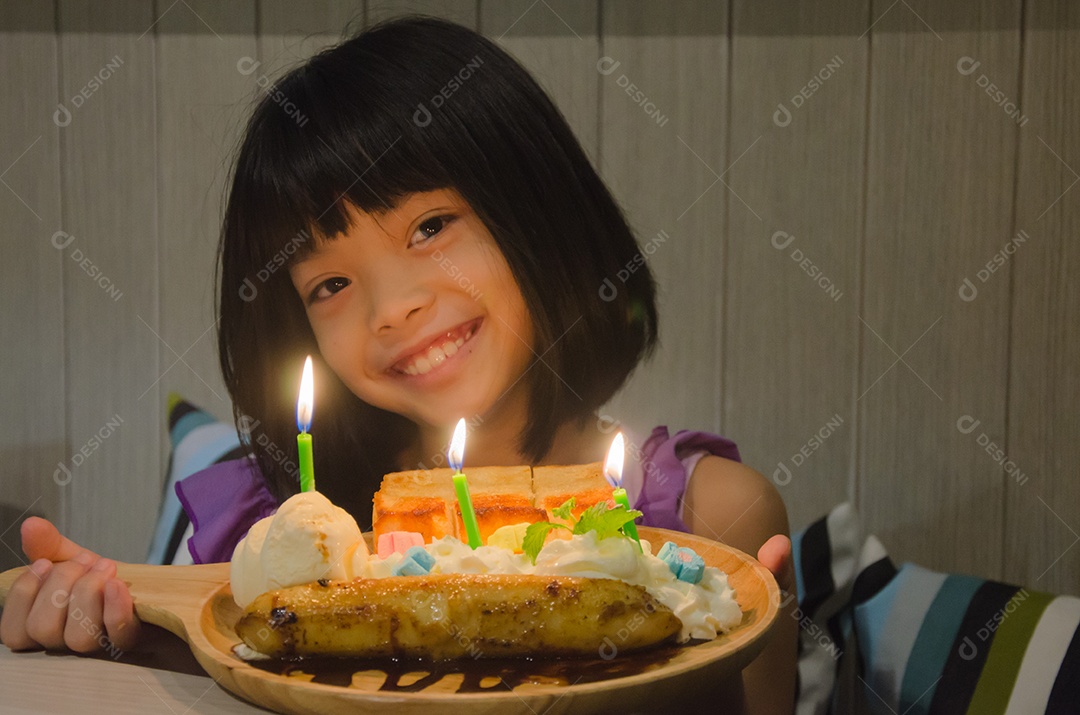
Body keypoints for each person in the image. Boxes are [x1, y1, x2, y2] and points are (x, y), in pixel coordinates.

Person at [1, 16, 797, 713]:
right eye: (332, 283)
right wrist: (105, 631)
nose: (391, 310)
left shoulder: (710, 516)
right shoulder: (274, 524)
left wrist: (707, 660)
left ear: (539, 211)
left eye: (430, 227)